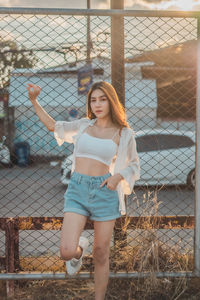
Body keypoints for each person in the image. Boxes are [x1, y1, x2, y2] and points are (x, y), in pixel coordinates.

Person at [27, 81, 140, 300]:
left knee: (101, 253)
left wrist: (117, 176)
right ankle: (79, 252)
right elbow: (53, 126)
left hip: (104, 192)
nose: (97, 104)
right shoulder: (83, 126)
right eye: (93, 100)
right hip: (77, 190)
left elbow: (134, 165)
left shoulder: (124, 133)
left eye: (103, 99)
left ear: (111, 101)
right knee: (66, 251)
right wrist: (34, 100)